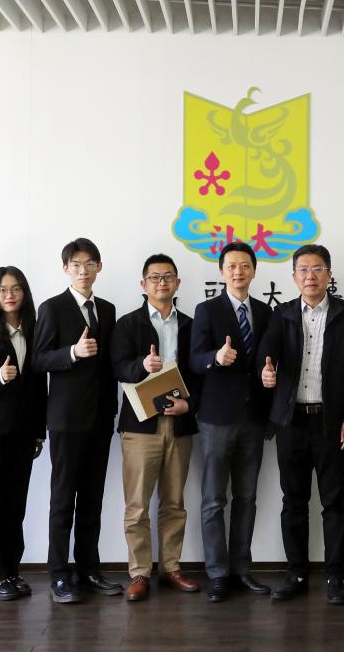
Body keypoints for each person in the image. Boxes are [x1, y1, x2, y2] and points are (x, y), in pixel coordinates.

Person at [257, 244, 344, 606]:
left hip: (332, 423)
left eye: (317, 269)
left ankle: (336, 576)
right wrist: (266, 373)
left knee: (334, 501)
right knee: (293, 501)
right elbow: (266, 355)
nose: (310, 276)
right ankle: (297, 573)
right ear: (294, 277)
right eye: (303, 270)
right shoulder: (283, 314)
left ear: (329, 275)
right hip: (291, 423)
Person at [32, 238, 122, 604]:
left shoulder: (108, 309)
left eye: (89, 264)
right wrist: (72, 351)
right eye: (76, 264)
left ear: (99, 267)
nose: (83, 270)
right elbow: (38, 360)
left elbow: (111, 363)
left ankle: (88, 568)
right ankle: (58, 573)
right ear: (66, 269)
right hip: (66, 418)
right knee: (62, 498)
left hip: (100, 416)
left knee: (92, 498)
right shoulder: (51, 307)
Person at [112, 253, 200, 602]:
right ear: (143, 284)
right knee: (137, 505)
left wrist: (189, 405)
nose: (162, 283)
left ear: (177, 283)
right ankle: (139, 572)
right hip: (140, 427)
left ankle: (171, 568)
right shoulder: (127, 324)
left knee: (174, 502)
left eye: (168, 277)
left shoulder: (191, 324)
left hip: (180, 423)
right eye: (155, 277)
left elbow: (200, 374)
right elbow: (117, 367)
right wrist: (142, 365)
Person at [190, 242, 273, 602]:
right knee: (213, 500)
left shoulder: (266, 312)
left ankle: (241, 569)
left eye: (245, 265)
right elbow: (194, 360)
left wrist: (271, 383)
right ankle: (217, 573)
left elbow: (270, 360)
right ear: (222, 272)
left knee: (247, 497)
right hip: (216, 418)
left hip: (254, 418)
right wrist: (215, 357)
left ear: (254, 270)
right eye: (232, 266)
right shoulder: (206, 310)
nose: (238, 271)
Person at [0, 267, 47, 601]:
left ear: (24, 293)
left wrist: (39, 432)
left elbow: (40, 385)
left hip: (23, 432)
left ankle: (12, 570)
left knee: (15, 505)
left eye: (15, 289)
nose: (9, 295)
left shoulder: (36, 330)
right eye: (2, 290)